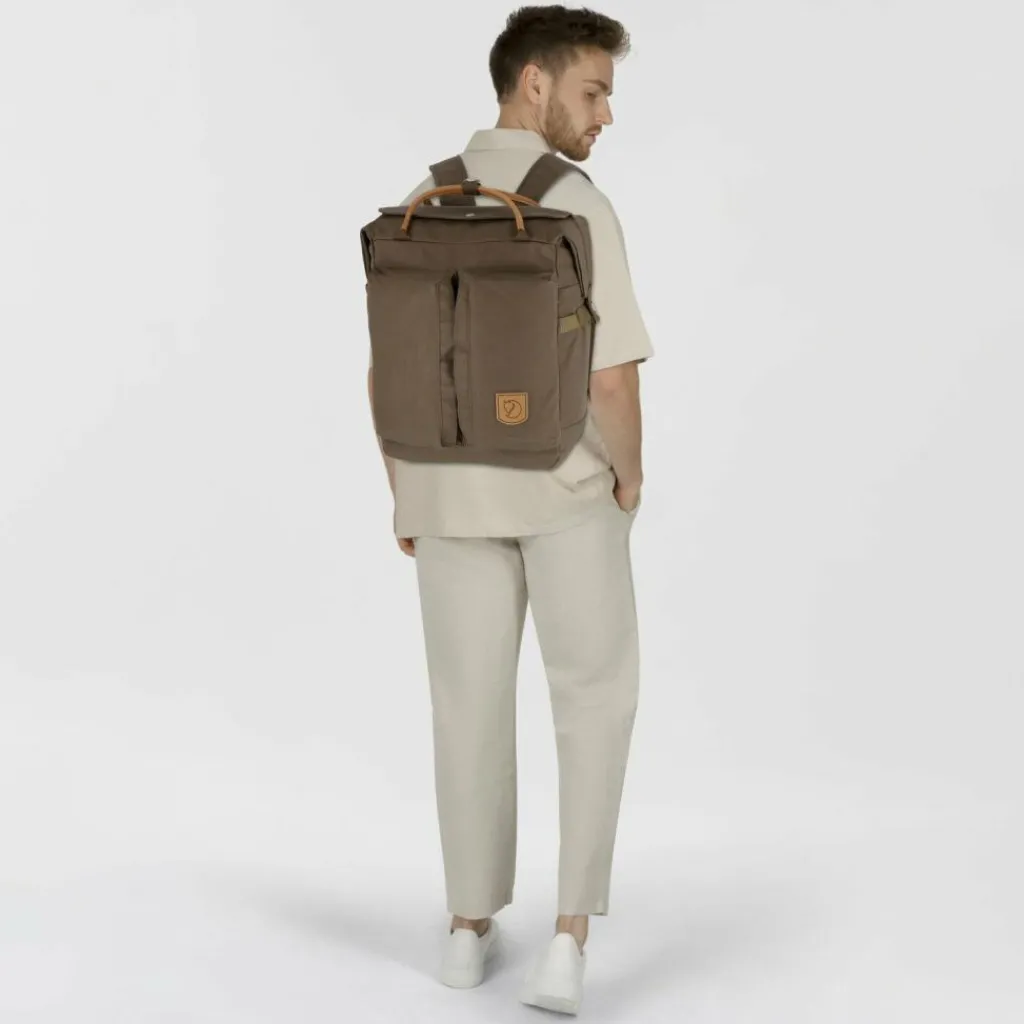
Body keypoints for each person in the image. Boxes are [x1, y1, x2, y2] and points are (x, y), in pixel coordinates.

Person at [366, 4, 652, 1014]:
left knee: (466, 706)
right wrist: (629, 478)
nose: (606, 113)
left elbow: (386, 368)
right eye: (593, 89)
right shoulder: (576, 202)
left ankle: (465, 927)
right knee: (593, 697)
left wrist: (405, 492)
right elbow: (610, 379)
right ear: (534, 83)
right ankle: (567, 940)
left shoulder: (421, 198)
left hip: (444, 490)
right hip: (563, 488)